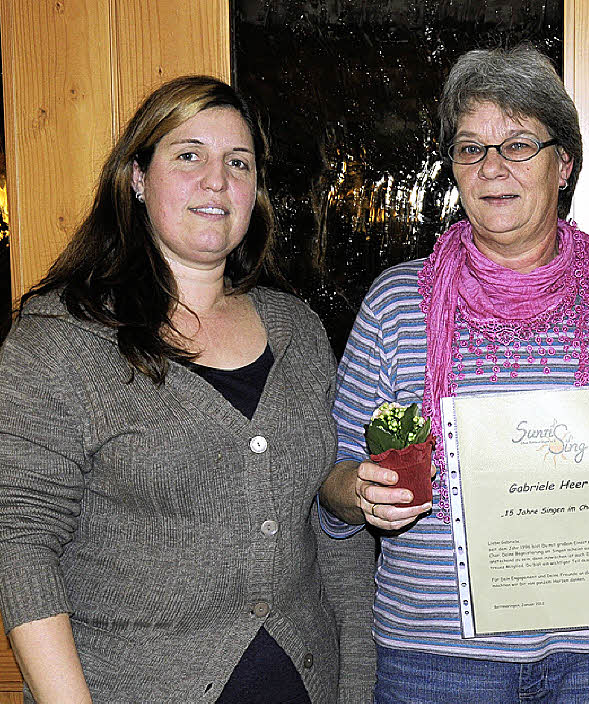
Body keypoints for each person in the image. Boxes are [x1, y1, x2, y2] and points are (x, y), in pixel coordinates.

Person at [317, 45, 589, 703]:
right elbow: (330, 479)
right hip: (435, 660)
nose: (492, 167)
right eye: (471, 148)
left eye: (519, 143)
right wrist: (359, 490)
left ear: (565, 165)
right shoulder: (396, 303)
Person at [0, 75, 367, 703]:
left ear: (255, 193)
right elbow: (20, 539)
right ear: (138, 179)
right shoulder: (59, 342)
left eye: (238, 162)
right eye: (188, 155)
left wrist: (358, 687)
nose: (217, 180)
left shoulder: (299, 331)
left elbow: (333, 537)